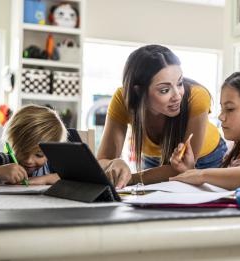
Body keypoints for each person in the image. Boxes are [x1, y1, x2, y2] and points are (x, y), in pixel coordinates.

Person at [97, 44, 227, 189]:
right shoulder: (123, 100)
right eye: (165, 90)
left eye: (179, 83)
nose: (177, 96)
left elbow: (181, 167)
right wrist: (113, 163)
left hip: (208, 160)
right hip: (154, 162)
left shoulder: (197, 96)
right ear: (139, 91)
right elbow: (102, 160)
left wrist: (132, 178)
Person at [0, 104, 76, 185]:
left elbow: (77, 178)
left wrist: (43, 180)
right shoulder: (2, 161)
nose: (28, 160)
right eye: (23, 150)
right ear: (12, 141)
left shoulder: (50, 164)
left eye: (39, 155)